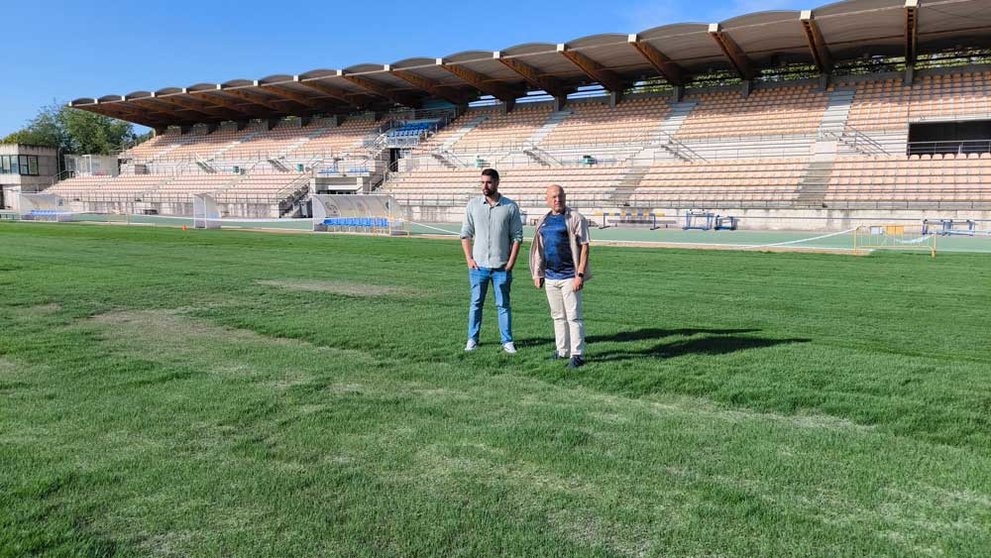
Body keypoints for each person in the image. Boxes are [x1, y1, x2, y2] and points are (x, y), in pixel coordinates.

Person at [460, 168, 524, 353]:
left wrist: (510, 263)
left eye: (488, 182)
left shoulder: (510, 207)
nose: (484, 186)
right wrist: (469, 259)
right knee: (476, 304)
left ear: (497, 183)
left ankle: (507, 341)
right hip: (478, 266)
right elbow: (465, 234)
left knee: (503, 305)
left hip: (501, 267)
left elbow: (517, 237)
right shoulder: (473, 205)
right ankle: (472, 339)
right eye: (482, 182)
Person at [528, 184, 591, 368]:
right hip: (550, 277)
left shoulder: (575, 218)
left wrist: (579, 274)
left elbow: (585, 247)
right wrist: (537, 273)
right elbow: (539, 250)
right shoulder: (543, 220)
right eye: (554, 197)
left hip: (570, 276)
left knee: (574, 316)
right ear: (547, 199)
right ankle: (561, 350)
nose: (558, 200)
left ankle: (577, 354)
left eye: (561, 196)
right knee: (557, 316)